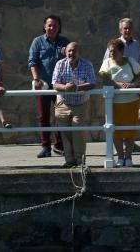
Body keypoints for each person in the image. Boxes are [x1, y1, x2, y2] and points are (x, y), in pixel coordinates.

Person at [29, 15, 69, 159]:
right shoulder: (37, 42)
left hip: (60, 85)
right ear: (44, 26)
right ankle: (45, 146)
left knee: (61, 116)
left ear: (59, 27)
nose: (52, 28)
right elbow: (32, 62)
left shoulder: (65, 42)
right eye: (49, 25)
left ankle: (59, 145)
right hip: (44, 84)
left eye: (55, 26)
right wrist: (36, 79)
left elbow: (72, 60)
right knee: (43, 116)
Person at [100, 38, 140, 165]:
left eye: (114, 51)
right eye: (110, 52)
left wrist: (133, 85)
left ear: (121, 51)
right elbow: (105, 79)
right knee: (116, 131)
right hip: (113, 104)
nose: (112, 54)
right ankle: (120, 157)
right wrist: (119, 85)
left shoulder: (130, 61)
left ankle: (129, 157)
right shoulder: (107, 62)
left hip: (131, 102)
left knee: (130, 131)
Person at [52, 42, 97, 168]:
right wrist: (65, 87)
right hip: (63, 103)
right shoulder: (60, 64)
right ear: (66, 52)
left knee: (78, 133)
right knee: (65, 134)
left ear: (79, 52)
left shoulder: (87, 64)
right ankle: (69, 161)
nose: (71, 53)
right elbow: (55, 83)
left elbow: (92, 83)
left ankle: (79, 161)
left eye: (74, 51)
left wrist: (77, 87)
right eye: (69, 51)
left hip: (80, 103)